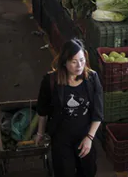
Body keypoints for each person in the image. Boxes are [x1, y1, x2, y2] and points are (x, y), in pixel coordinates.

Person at [35, 39, 104, 177]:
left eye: (82, 60)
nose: (79, 65)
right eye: (74, 62)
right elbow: (43, 111)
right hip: (61, 139)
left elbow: (98, 113)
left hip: (84, 135)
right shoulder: (51, 81)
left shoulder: (91, 78)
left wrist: (89, 138)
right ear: (64, 62)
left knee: (88, 171)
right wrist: (40, 133)